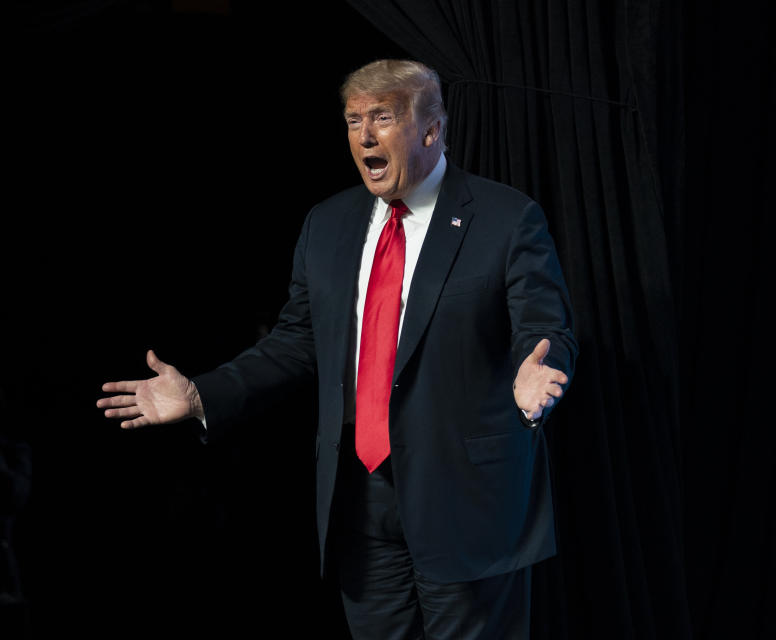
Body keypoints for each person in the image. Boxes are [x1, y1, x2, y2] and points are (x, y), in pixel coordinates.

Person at [97, 59, 576, 639]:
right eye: (354, 120)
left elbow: (545, 329)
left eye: (382, 117)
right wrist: (202, 394)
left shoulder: (506, 217)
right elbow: (296, 341)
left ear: (431, 129)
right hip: (360, 503)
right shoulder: (326, 225)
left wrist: (537, 380)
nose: (365, 135)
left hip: (467, 499)